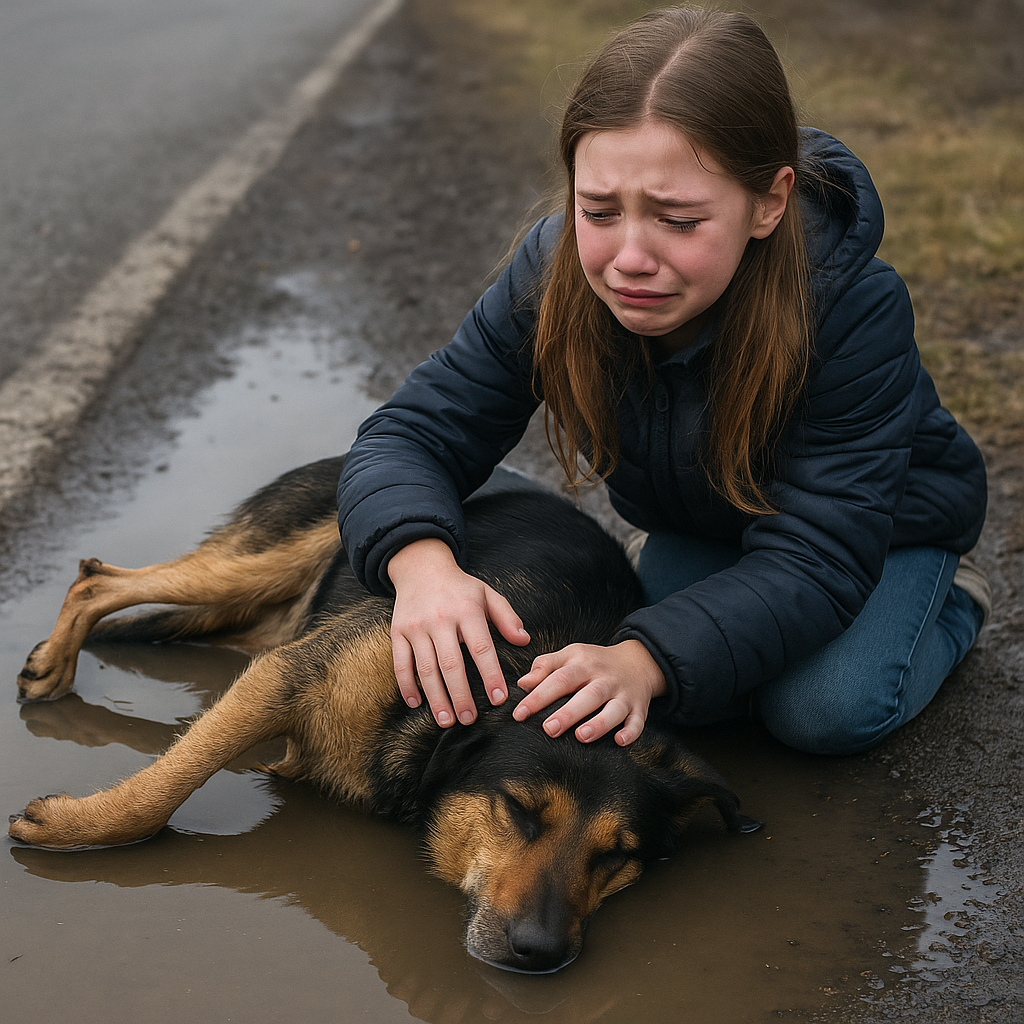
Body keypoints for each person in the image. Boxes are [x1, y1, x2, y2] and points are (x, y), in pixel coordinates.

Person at [336, 6, 988, 757]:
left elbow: (820, 555)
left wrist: (642, 661)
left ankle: (953, 600)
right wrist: (420, 568)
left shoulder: (852, 310)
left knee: (822, 710)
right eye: (600, 210)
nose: (629, 258)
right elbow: (414, 432)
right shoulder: (552, 273)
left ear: (769, 203)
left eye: (678, 220)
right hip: (710, 524)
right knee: (686, 678)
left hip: (879, 536)